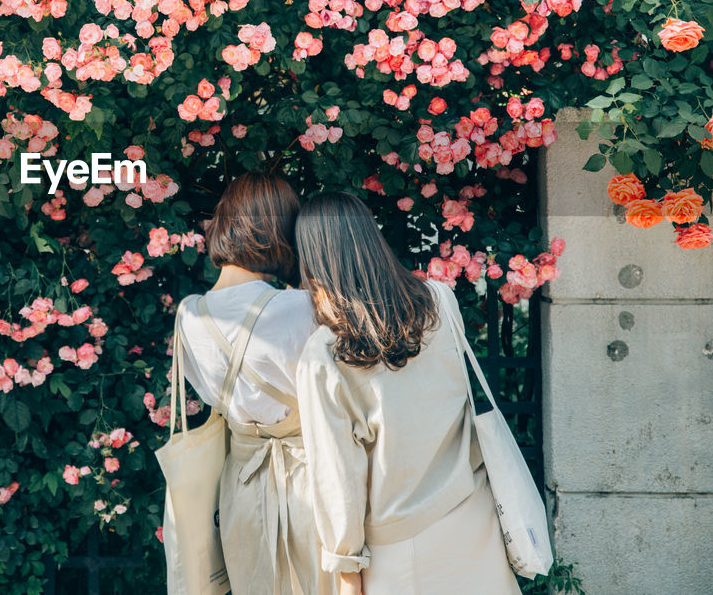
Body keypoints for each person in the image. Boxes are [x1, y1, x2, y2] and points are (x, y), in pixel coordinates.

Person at [294, 192, 521, 595]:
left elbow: (336, 474)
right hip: (473, 514)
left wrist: (346, 569)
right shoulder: (440, 301)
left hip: (397, 545)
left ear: (314, 260)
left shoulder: (325, 353)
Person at [176, 172, 334, 595]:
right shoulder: (300, 309)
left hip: (241, 493)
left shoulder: (189, 315)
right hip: (311, 485)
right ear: (282, 230)